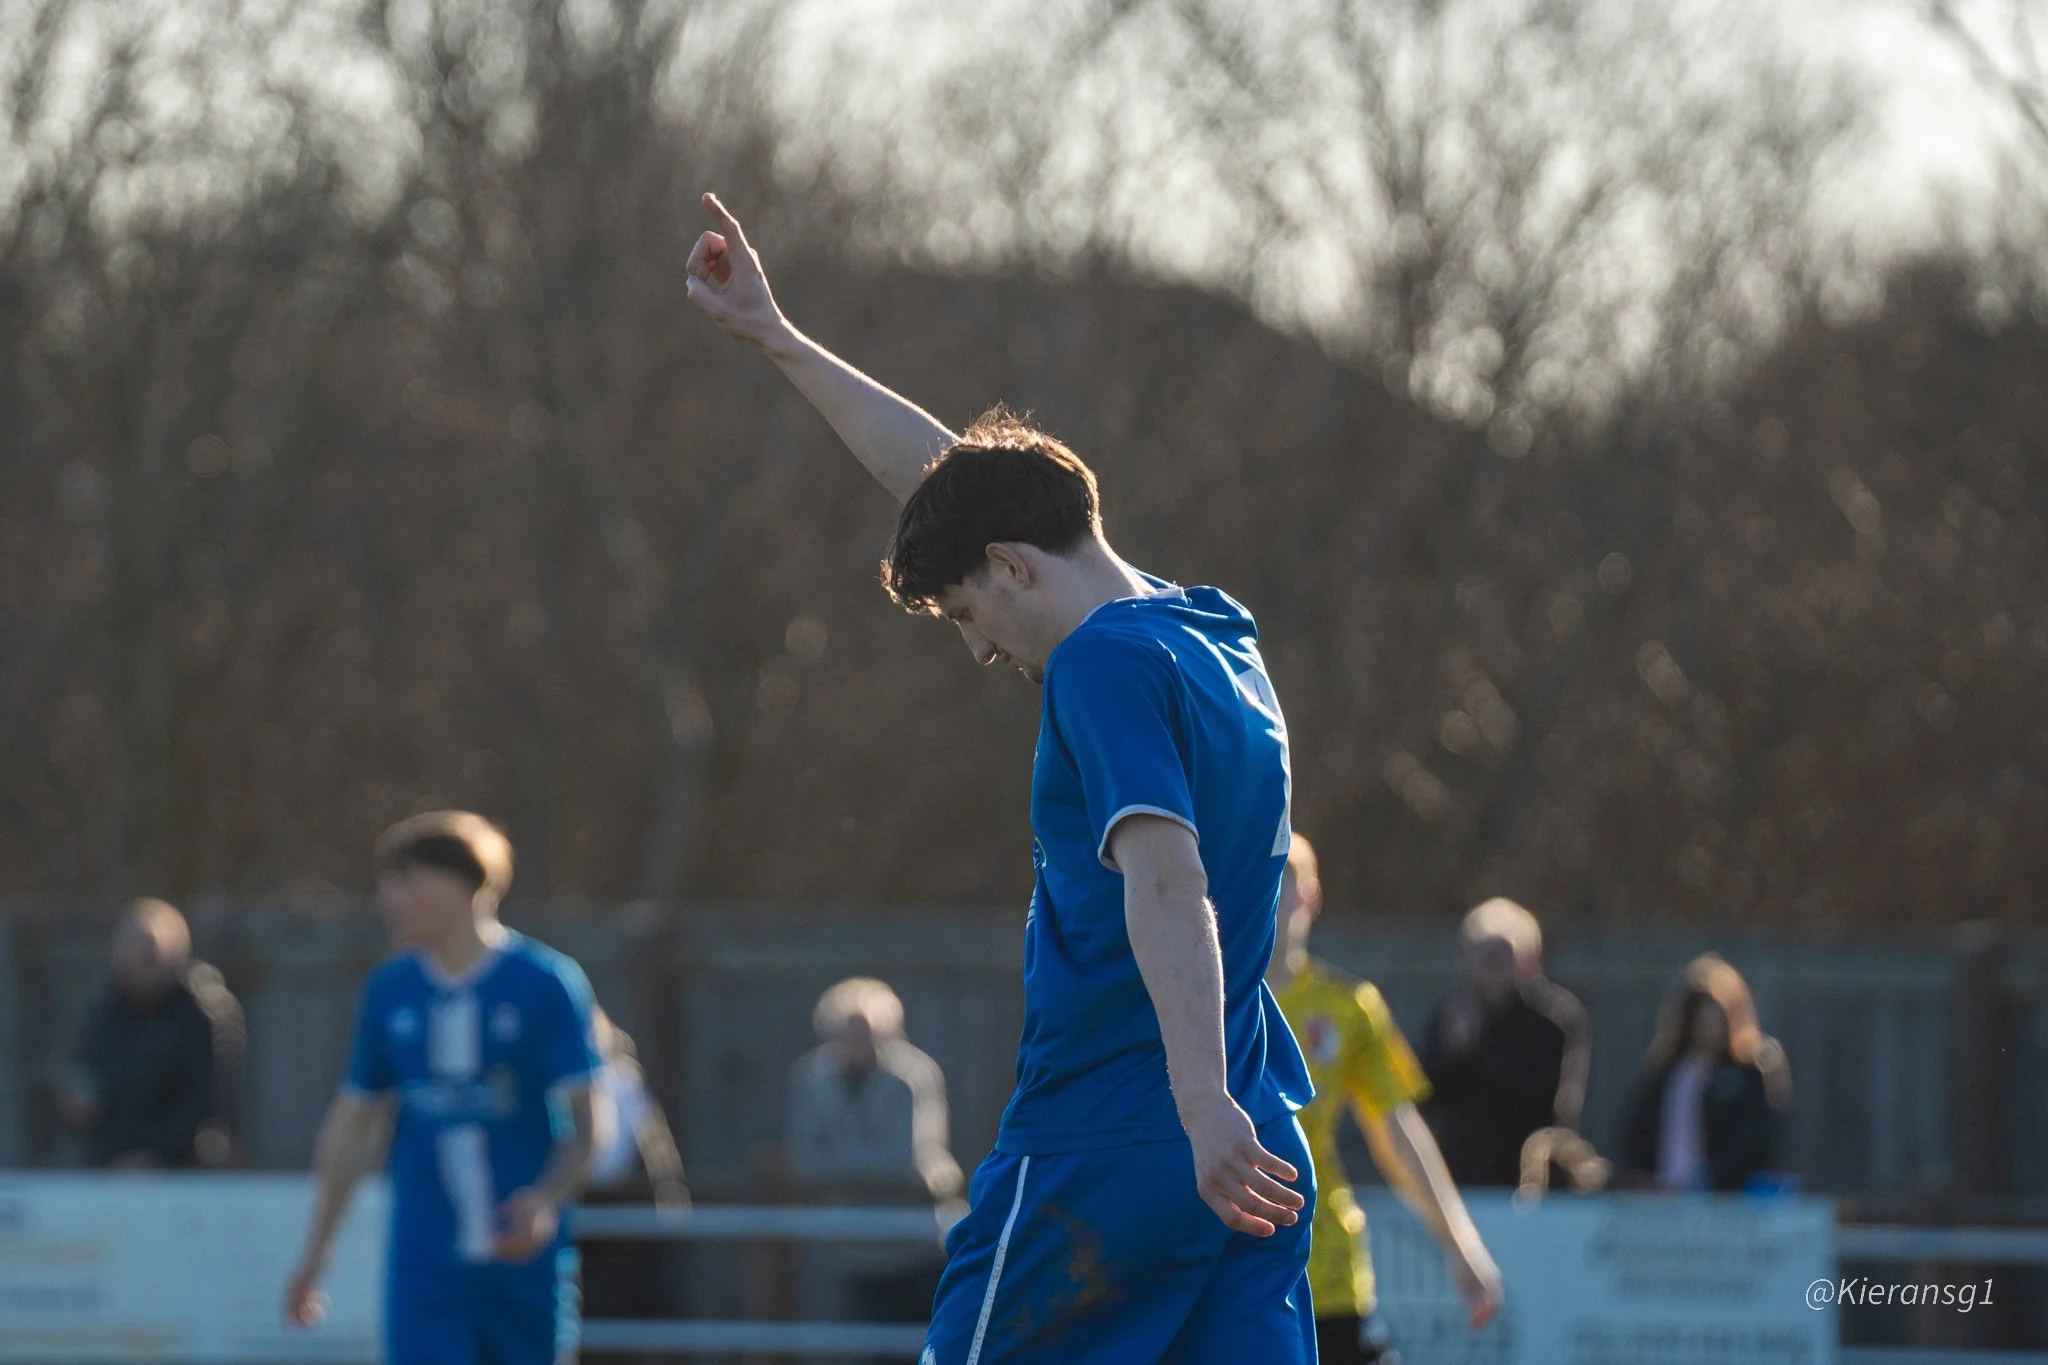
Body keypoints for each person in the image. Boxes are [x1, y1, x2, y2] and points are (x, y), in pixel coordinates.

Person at [686, 193, 1317, 1364]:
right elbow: (953, 484)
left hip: (1112, 1140)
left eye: (970, 614)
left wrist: (1190, 1106)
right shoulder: (1214, 636)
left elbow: (1166, 881)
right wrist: (778, 337)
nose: (979, 650)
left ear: (1014, 569)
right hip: (1252, 1140)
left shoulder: (1097, 667)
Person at [283, 811, 611, 1365]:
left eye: (403, 880)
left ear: (461, 884)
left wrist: (547, 1199)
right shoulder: (391, 991)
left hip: (522, 1265)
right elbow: (352, 1125)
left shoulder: (545, 983)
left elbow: (589, 1125)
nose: (387, 899)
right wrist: (316, 1255)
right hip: (425, 1264)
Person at [1267, 835, 1501, 1364]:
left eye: (1286, 877)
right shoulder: (1207, 1001)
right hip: (1226, 1262)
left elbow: (1397, 1132)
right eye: (1262, 874)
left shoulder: (1348, 1008)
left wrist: (1460, 1244)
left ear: (1311, 894)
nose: (1273, 893)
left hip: (1323, 1266)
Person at [56, 897, 243, 1169]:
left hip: (186, 1168)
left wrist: (155, 1156)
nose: (141, 963)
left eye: (149, 955)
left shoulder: (203, 1012)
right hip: (112, 1166)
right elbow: (86, 1077)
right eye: (132, 952)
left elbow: (208, 1104)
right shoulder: (104, 1011)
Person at [1419, 897, 1589, 1187]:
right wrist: (1455, 1052)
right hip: (1461, 1176)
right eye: (1483, 955)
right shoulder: (1452, 1012)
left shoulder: (1555, 1018)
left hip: (1532, 1179)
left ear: (1527, 958)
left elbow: (1548, 1102)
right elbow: (1425, 1095)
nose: (1492, 966)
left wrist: (1480, 1047)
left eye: (1502, 955)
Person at [1618, 953, 1791, 1192]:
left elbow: (1754, 1141)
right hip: (1662, 1200)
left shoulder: (1749, 1075)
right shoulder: (1665, 1075)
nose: (1707, 1024)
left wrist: (1709, 1178)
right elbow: (1637, 1136)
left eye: (1715, 1014)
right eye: (1699, 1014)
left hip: (1726, 1203)